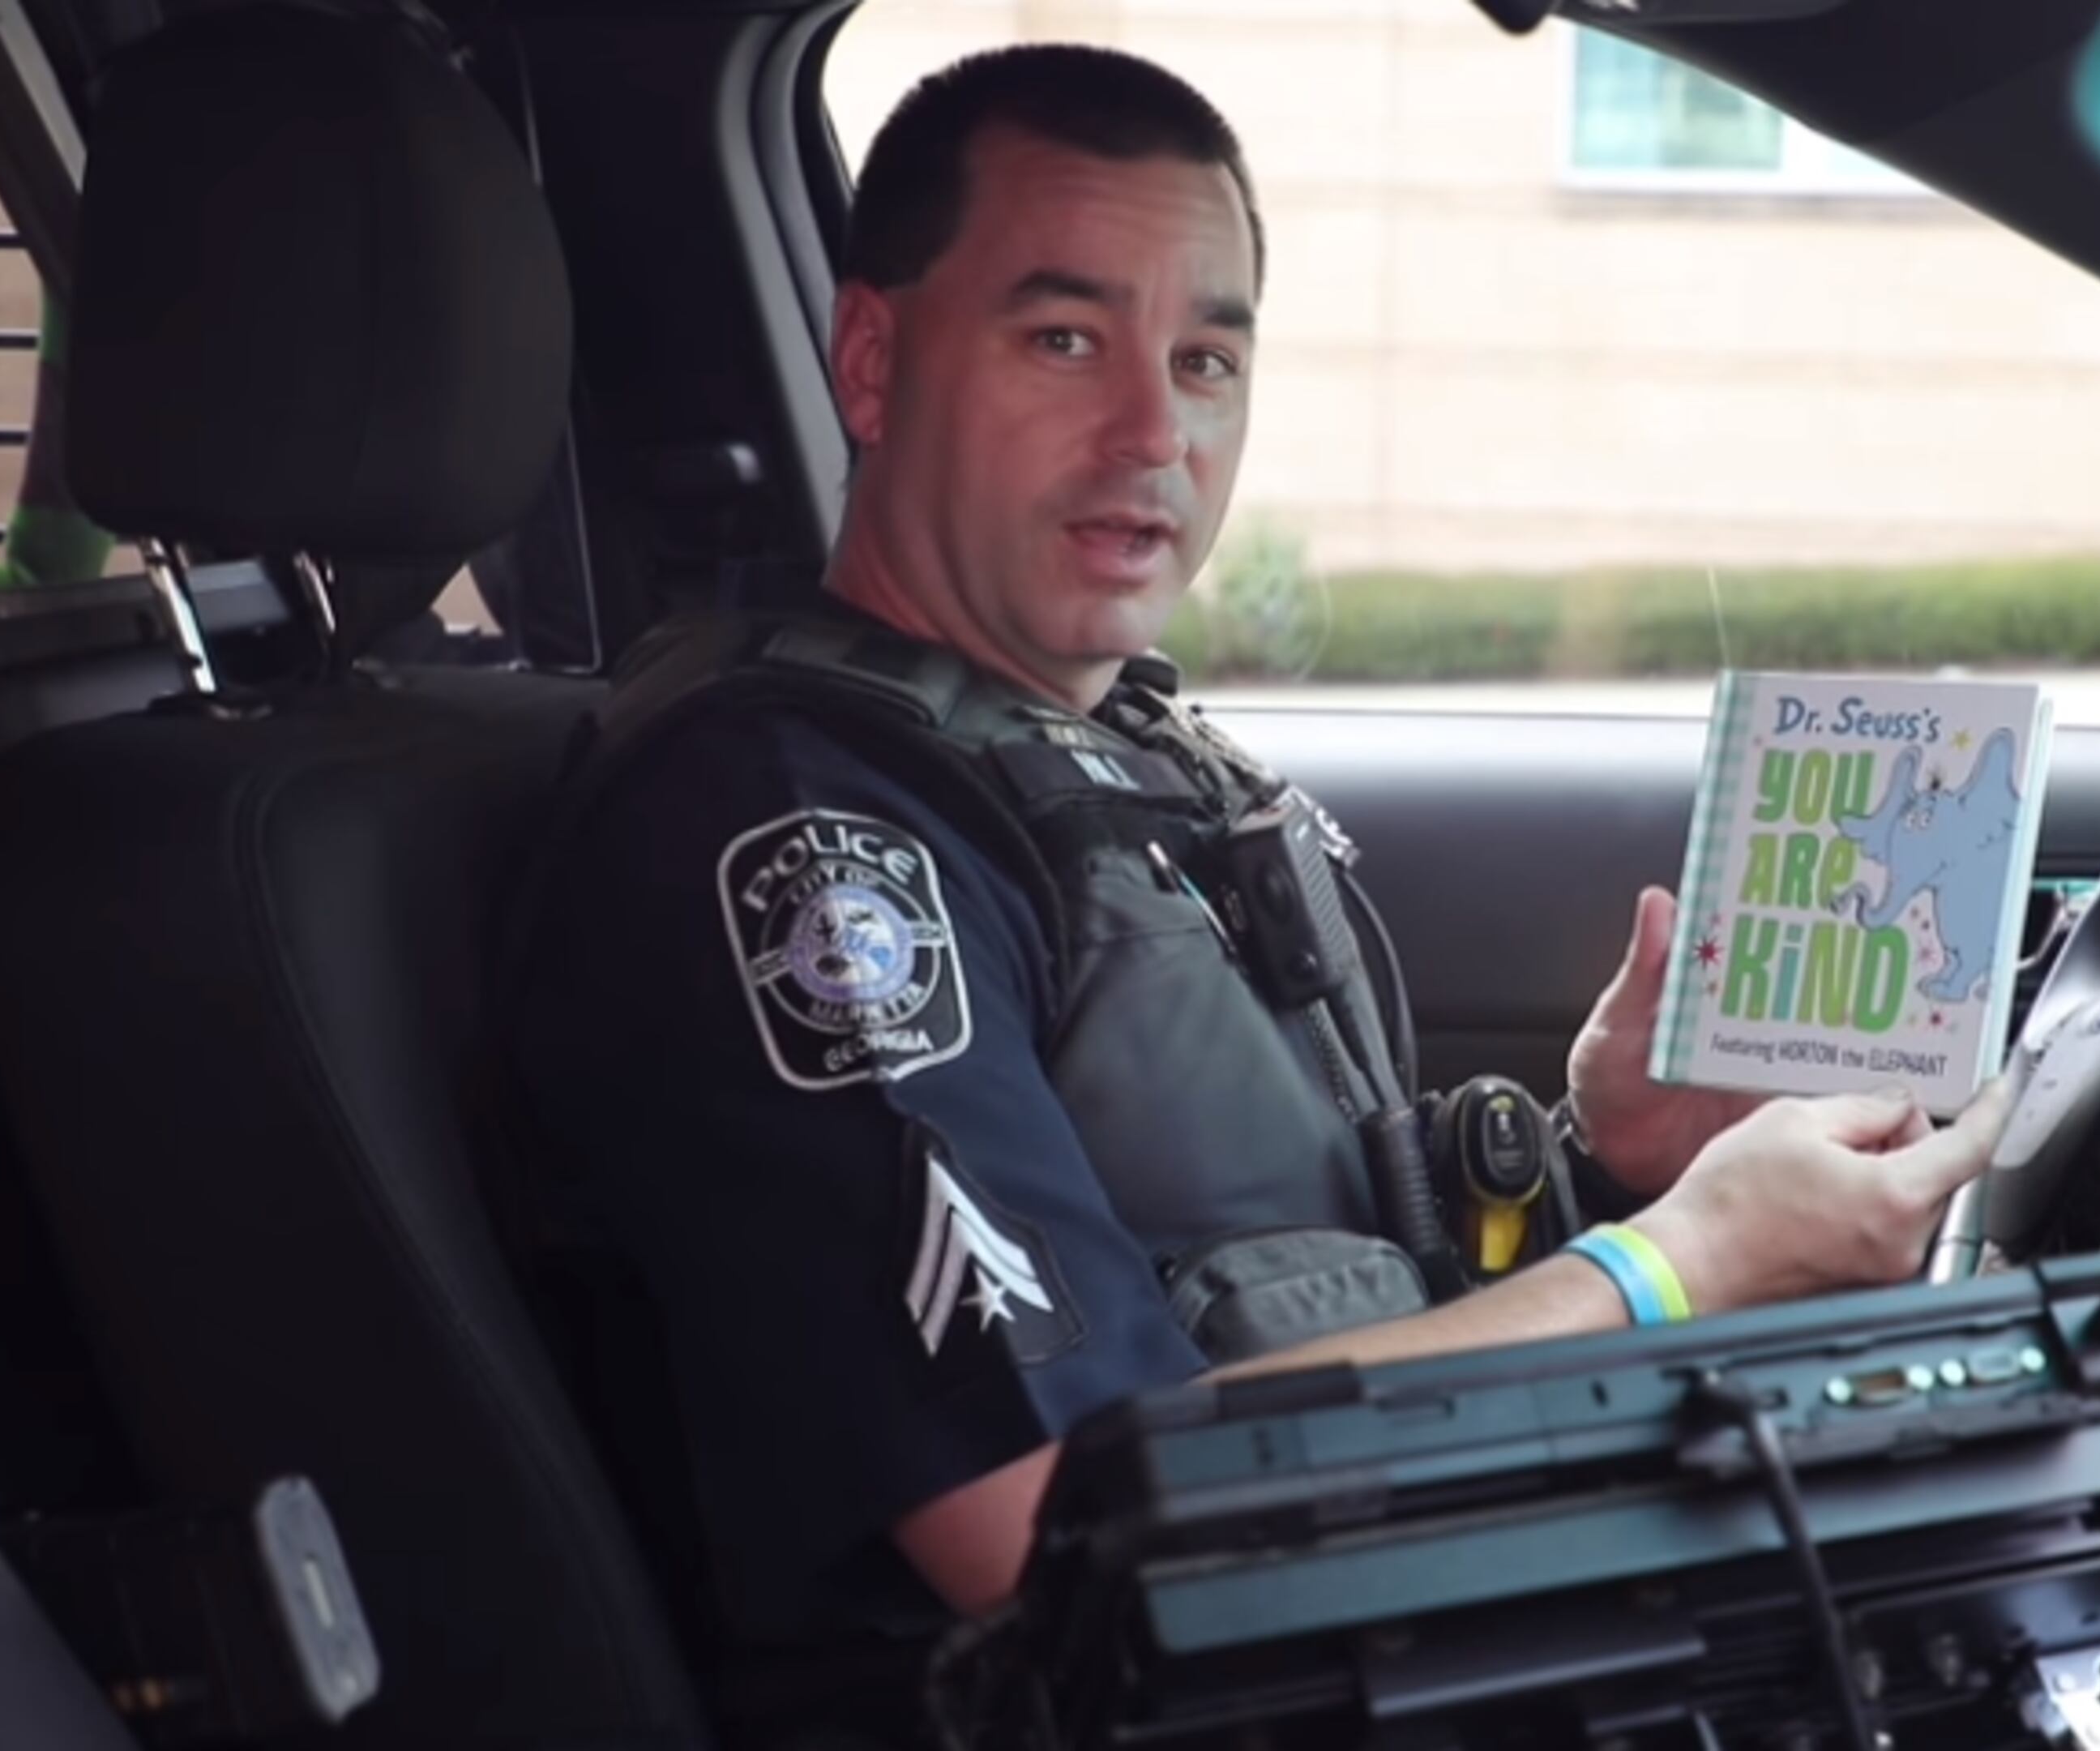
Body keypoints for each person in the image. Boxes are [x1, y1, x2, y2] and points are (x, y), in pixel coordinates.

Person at [503, 43, 2013, 1646]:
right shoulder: (796, 829)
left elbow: (1314, 1283)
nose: (1153, 430)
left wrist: (1599, 1174)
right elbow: (1041, 1524)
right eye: (1066, 339)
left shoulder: (1107, 749)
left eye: (1209, 363)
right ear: (871, 364)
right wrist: (1678, 1264)